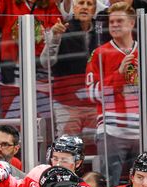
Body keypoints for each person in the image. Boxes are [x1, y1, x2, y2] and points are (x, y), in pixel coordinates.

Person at [86, 2, 147, 187]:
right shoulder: (99, 53)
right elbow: (92, 94)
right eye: (111, 21)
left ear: (131, 24)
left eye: (119, 21)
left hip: (144, 129)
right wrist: (119, 75)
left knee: (146, 183)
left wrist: (143, 81)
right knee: (109, 184)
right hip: (111, 130)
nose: (113, 25)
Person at [40, 0, 101, 142]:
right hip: (66, 102)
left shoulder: (101, 32)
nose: (85, 7)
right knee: (66, 147)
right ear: (74, 7)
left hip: (93, 102)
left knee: (97, 147)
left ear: (94, 9)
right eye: (81, 2)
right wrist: (55, 37)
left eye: (89, 3)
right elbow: (45, 62)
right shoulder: (61, 29)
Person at [0, 0, 61, 83]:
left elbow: (54, 37)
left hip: (39, 66)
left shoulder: (50, 5)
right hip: (9, 65)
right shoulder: (9, 2)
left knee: (40, 94)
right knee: (8, 94)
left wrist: (44, 33)